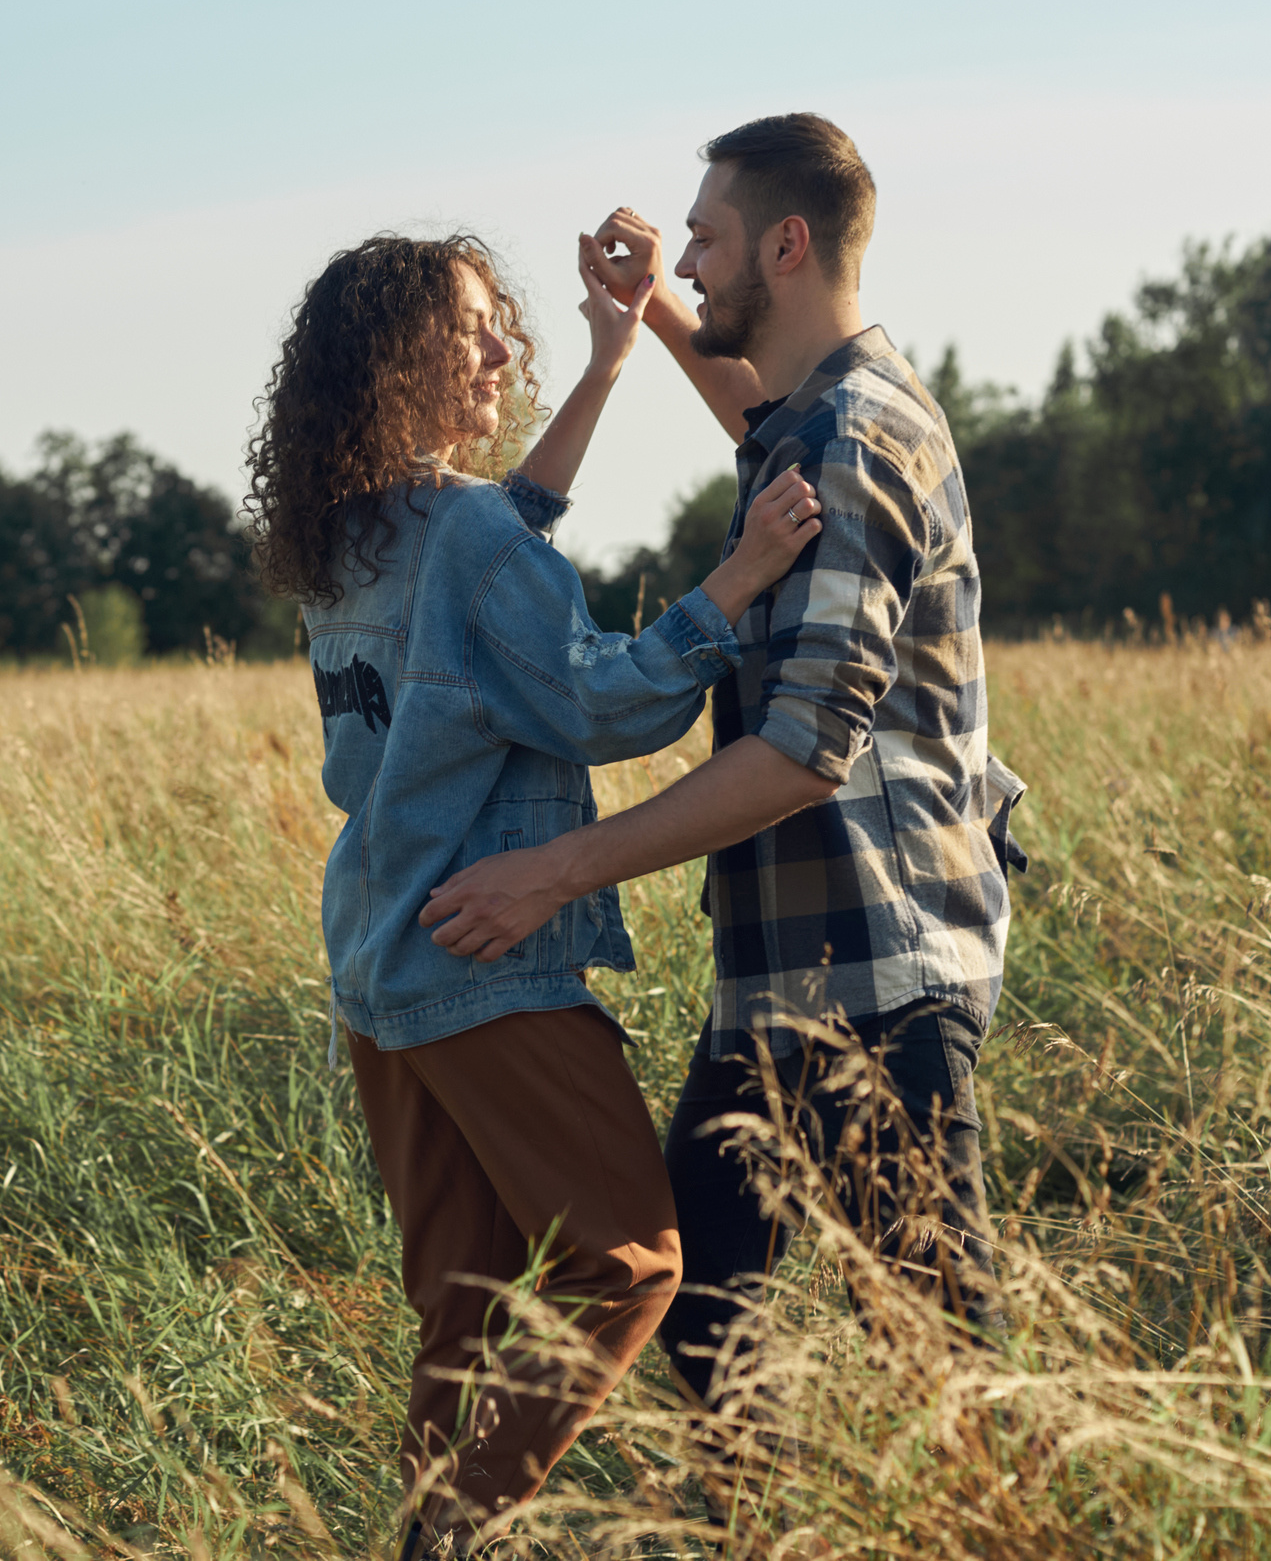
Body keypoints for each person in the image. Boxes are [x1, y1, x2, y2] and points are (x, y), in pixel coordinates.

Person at [419, 115, 1028, 1414]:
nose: (687, 261)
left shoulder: (856, 440)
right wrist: (640, 314)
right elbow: (759, 425)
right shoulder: (813, 423)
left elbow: (804, 752)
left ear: (787, 244)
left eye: (705, 237)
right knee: (704, 1319)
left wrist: (554, 873)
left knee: (947, 1373)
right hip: (785, 982)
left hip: (878, 979)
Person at [243, 230, 823, 1555]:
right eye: (470, 329)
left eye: (504, 324)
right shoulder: (459, 536)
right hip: (484, 948)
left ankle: (424, 1534)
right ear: (392, 358)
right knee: (631, 1262)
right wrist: (733, 585)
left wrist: (612, 367)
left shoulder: (355, 530)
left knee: (463, 1302)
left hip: (380, 958)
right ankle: (455, 1534)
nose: (506, 348)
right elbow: (589, 698)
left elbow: (500, 543)